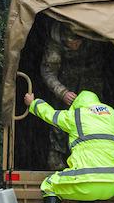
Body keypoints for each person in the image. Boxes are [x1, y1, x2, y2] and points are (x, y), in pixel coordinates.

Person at [22, 89, 114, 203]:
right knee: (87, 179)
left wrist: (33, 103)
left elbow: (50, 115)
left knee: (50, 184)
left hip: (87, 180)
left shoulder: (76, 115)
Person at [40, 21, 107, 170]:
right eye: (72, 42)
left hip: (90, 83)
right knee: (59, 120)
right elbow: (48, 72)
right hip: (64, 83)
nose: (75, 45)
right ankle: (56, 159)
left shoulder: (92, 39)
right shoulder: (55, 45)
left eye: (78, 42)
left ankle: (90, 159)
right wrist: (62, 92)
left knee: (91, 121)